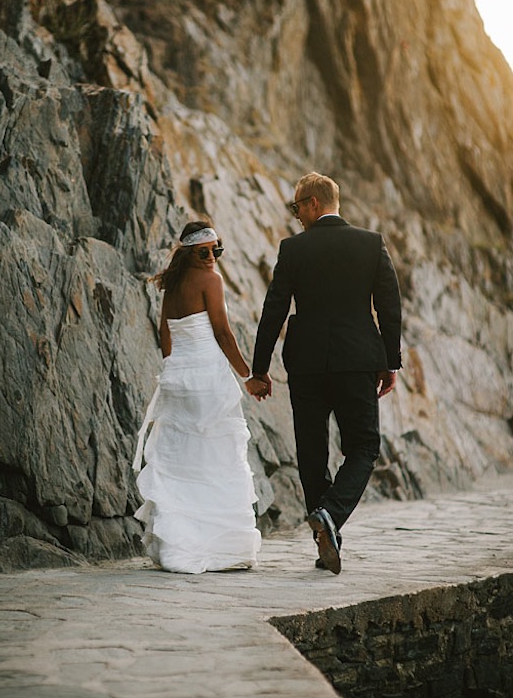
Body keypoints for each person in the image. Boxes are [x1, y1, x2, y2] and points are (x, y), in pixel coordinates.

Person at [251, 172, 402, 574]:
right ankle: (330, 518)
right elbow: (389, 306)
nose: (296, 214)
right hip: (357, 361)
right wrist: (390, 361)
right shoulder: (370, 244)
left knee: (312, 453)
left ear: (314, 204)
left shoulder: (293, 249)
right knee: (365, 446)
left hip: (307, 364)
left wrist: (259, 368)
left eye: (297, 206)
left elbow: (275, 308)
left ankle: (325, 531)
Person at [133, 221, 264, 573]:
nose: (211, 257)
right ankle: (216, 548)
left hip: (179, 378)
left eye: (216, 250)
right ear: (189, 253)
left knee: (183, 462)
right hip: (207, 378)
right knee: (214, 461)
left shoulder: (173, 283)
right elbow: (222, 332)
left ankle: (178, 545)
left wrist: (174, 367)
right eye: (203, 251)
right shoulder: (212, 281)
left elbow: (164, 330)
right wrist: (248, 377)